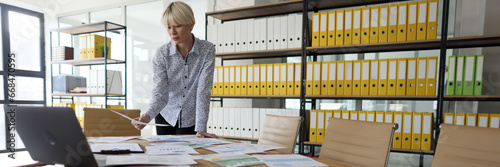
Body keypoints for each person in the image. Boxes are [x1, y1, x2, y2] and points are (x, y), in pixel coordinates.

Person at [131, 1, 217, 138]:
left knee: (190, 156)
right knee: (165, 156)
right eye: (169, 27)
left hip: (191, 119)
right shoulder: (162, 54)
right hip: (165, 116)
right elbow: (160, 92)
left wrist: (201, 127)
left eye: (177, 26)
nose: (172, 32)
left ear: (191, 24)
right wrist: (147, 116)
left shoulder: (207, 50)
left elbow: (203, 91)